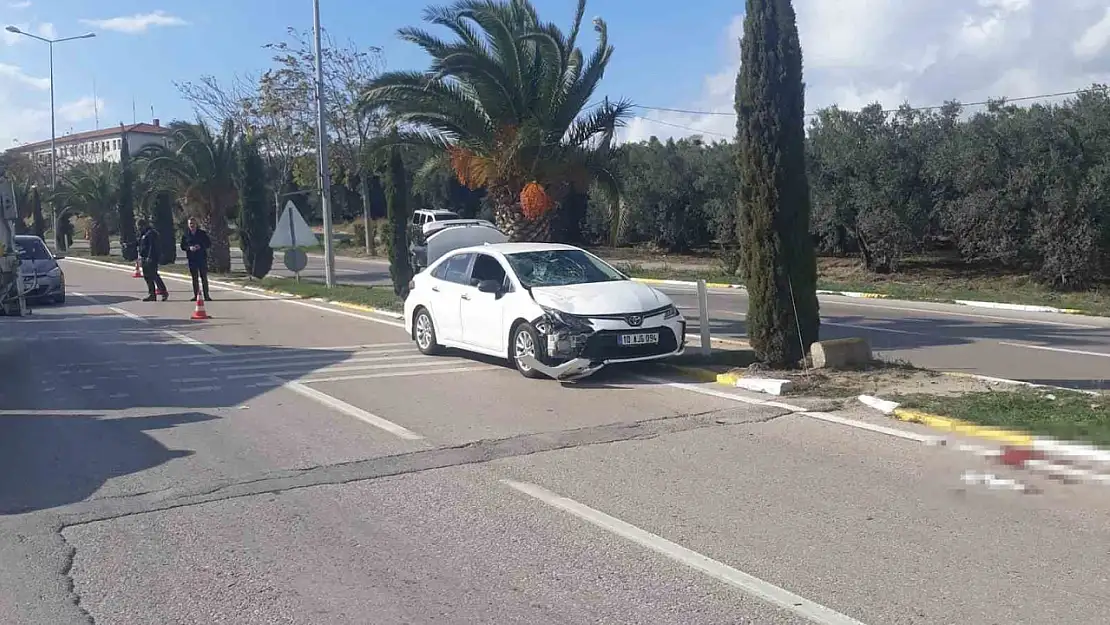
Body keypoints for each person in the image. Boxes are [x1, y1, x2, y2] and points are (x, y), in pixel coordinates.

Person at [180, 217, 212, 301]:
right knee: (194, 278)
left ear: (196, 224)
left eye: (193, 223)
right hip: (192, 259)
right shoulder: (186, 234)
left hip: (201, 258)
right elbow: (182, 246)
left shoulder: (202, 233)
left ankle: (206, 295)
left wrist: (200, 246)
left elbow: (208, 243)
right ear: (188, 225)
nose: (192, 225)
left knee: (203, 277)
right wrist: (189, 248)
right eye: (190, 224)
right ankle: (196, 295)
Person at [137, 219, 168, 302]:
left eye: (140, 226)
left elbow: (152, 246)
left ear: (143, 225)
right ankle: (152, 294)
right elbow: (139, 243)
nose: (139, 228)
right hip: (144, 258)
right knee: (147, 277)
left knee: (154, 275)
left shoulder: (151, 233)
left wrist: (150, 257)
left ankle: (164, 292)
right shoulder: (143, 234)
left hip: (151, 258)